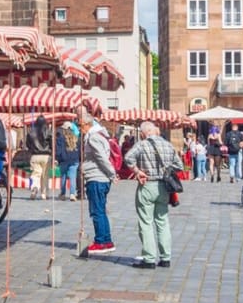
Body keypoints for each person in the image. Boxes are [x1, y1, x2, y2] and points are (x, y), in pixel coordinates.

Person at [129, 121, 184, 269]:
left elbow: (128, 158)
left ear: (143, 133)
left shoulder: (142, 144)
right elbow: (180, 166)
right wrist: (166, 170)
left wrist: (138, 171)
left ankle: (149, 258)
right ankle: (165, 257)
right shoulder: (168, 145)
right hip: (164, 187)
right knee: (162, 221)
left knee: (146, 222)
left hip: (147, 184)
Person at [77, 107, 117, 254]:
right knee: (101, 210)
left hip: (97, 178)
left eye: (80, 125)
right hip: (100, 178)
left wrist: (112, 173)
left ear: (87, 124)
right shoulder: (100, 135)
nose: (80, 129)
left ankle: (101, 241)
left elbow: (101, 157)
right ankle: (106, 240)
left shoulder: (93, 138)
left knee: (96, 211)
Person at [25, 115, 53, 201]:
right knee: (45, 175)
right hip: (46, 156)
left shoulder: (31, 132)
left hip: (35, 155)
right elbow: (52, 143)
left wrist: (32, 149)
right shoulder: (48, 132)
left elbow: (27, 144)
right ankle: (44, 194)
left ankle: (34, 187)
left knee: (36, 174)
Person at [55, 114, 81, 200]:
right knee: (72, 177)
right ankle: (72, 194)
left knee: (63, 177)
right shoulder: (76, 138)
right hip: (74, 159)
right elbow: (79, 149)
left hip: (64, 159)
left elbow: (58, 150)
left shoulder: (60, 138)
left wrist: (57, 159)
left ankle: (62, 194)